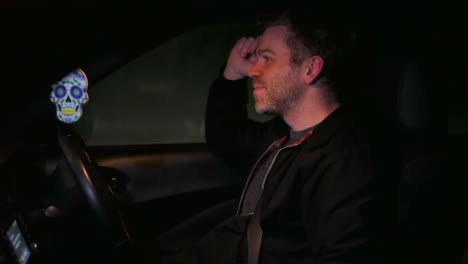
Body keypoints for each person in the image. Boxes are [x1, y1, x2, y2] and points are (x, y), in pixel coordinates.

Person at [158, 9, 399, 264]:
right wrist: (231, 74)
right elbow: (225, 135)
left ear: (310, 69)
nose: (253, 71)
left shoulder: (346, 157)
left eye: (267, 58)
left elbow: (345, 255)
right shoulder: (284, 134)